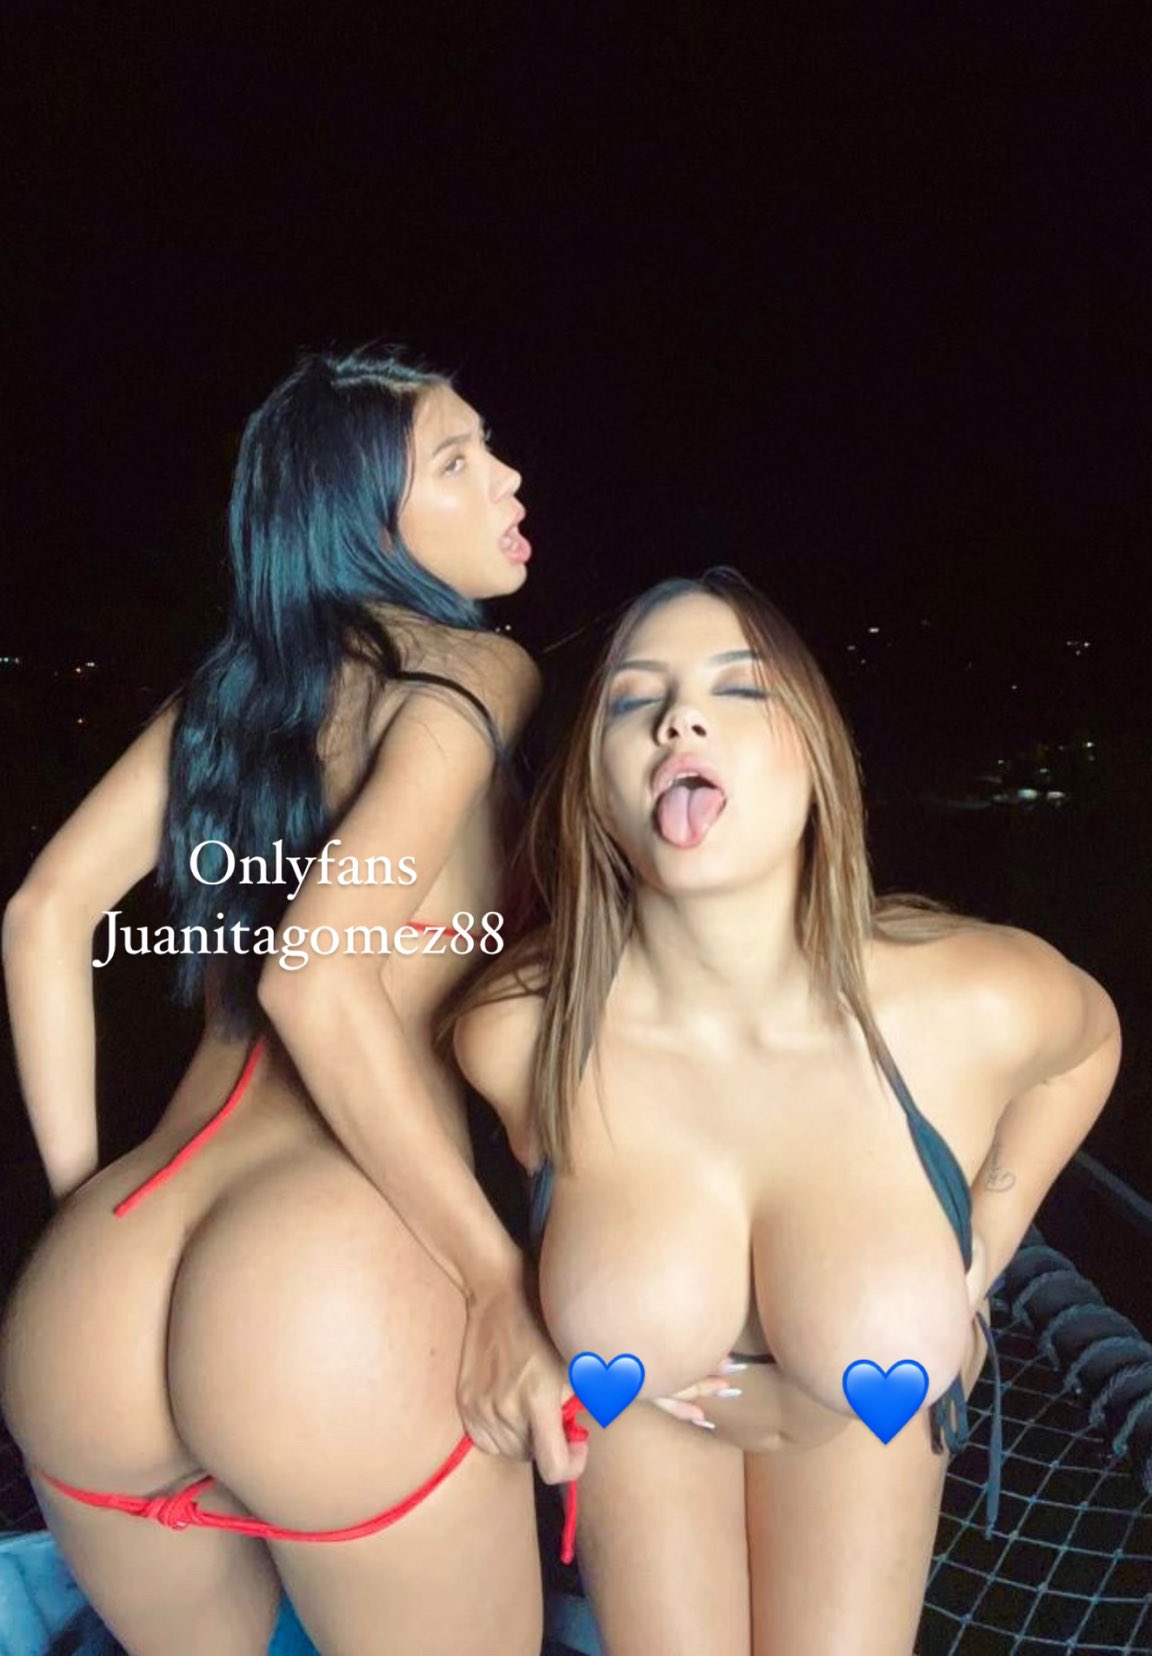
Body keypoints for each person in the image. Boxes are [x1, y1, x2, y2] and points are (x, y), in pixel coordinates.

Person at [0, 346, 585, 1656]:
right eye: (458, 461)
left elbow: (42, 916)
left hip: (98, 1285)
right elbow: (313, 973)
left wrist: (86, 1205)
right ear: (360, 523)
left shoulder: (231, 697)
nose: (508, 478)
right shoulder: (473, 669)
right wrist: (492, 1278)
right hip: (323, 1287)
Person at [444, 569, 1123, 1656]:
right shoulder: (522, 1032)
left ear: (816, 754)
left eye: (738, 687)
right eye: (633, 698)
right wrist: (499, 1295)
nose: (679, 717)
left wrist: (982, 1246)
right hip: (639, 1427)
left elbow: (1090, 1047)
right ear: (594, 789)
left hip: (866, 1429)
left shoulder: (970, 998)